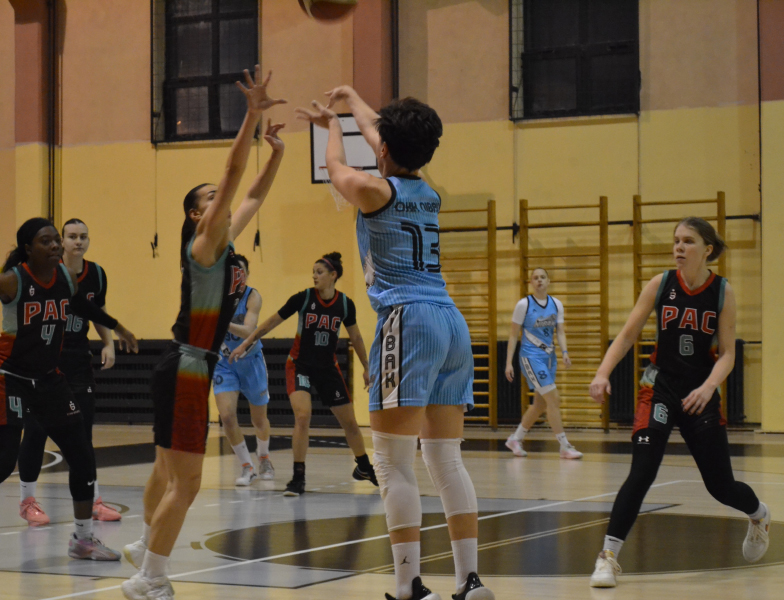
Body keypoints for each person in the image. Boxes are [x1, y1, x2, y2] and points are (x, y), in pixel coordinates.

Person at [294, 89, 494, 600]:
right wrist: (353, 99)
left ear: (383, 148)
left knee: (391, 463)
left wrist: (332, 124)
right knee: (446, 460)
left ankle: (409, 586)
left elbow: (335, 166)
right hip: (451, 322)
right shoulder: (429, 191)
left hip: (408, 320)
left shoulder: (370, 189)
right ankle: (470, 581)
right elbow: (383, 134)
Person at [120, 66, 285, 600]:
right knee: (187, 483)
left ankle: (144, 546)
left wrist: (276, 155)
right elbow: (234, 171)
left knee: (164, 470)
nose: (225, 198)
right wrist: (250, 117)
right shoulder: (203, 244)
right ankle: (150, 577)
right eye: (213, 197)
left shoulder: (223, 241)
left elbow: (252, 195)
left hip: (182, 362)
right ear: (198, 213)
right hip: (190, 365)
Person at [588, 217, 770, 588]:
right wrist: (602, 373)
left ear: (707, 249)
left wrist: (709, 386)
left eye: (688, 241)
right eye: (676, 241)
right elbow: (627, 335)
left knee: (720, 486)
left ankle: (758, 515)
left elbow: (728, 354)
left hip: (700, 392)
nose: (679, 247)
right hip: (659, 388)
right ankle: (607, 557)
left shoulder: (722, 291)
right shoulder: (661, 284)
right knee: (642, 472)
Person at [0, 217, 138, 560]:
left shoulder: (65, 277)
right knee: (4, 462)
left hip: (49, 379)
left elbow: (80, 304)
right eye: (46, 241)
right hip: (9, 379)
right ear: (28, 249)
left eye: (56, 239)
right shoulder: (11, 280)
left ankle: (82, 540)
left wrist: (118, 327)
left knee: (82, 457)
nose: (55, 245)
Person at [230, 252, 377, 496]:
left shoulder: (345, 304)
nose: (314, 276)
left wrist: (367, 367)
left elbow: (357, 337)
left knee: (350, 423)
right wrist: (245, 344)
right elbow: (269, 323)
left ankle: (363, 467)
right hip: (300, 366)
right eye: (313, 272)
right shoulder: (304, 298)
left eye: (319, 272)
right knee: (302, 416)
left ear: (333, 275)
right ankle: (298, 477)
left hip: (328, 369)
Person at [17, 218, 122, 526]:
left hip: (78, 362)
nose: (78, 241)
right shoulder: (46, 272)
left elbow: (98, 312)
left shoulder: (97, 274)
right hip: (45, 363)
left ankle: (94, 500)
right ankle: (27, 501)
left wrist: (108, 343)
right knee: (35, 432)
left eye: (83, 236)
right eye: (72, 236)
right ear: (61, 241)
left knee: (83, 435)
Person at [504, 268, 582, 459]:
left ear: (548, 281)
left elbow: (560, 331)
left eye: (542, 277)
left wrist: (565, 352)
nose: (539, 280)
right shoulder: (524, 304)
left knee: (539, 404)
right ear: (531, 282)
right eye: (535, 278)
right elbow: (513, 335)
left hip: (549, 358)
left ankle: (515, 439)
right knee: (554, 399)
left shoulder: (556, 304)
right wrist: (508, 363)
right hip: (531, 357)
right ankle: (564, 446)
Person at [214, 253, 274, 485]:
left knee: (259, 419)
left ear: (246, 275)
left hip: (251, 361)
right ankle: (246, 466)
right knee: (227, 416)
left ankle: (264, 458)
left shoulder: (252, 296)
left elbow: (249, 330)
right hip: (224, 363)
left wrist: (222, 323)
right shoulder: (216, 296)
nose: (238, 277)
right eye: (234, 273)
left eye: (242, 273)